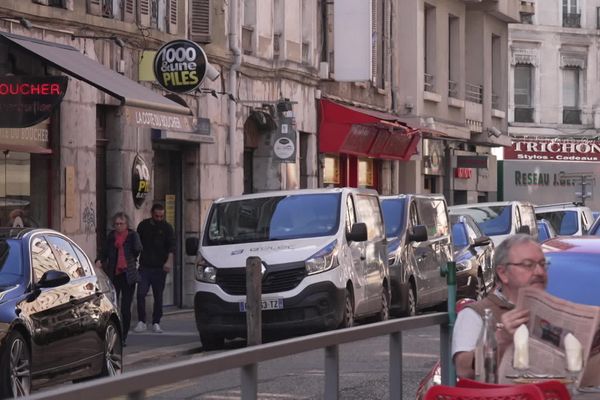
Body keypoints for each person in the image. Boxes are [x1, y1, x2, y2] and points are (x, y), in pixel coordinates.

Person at [452, 234, 548, 379]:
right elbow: (463, 370)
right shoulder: (475, 314)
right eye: (528, 265)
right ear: (503, 273)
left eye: (543, 264)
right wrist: (501, 339)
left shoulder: (550, 310)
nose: (540, 272)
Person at [95, 212, 142, 346]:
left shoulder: (132, 236)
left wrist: (127, 250)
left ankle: (123, 337)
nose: (119, 226)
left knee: (126, 308)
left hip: (128, 276)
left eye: (121, 224)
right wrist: (99, 260)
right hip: (114, 275)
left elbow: (138, 249)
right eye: (116, 224)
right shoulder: (111, 237)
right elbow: (104, 252)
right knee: (113, 307)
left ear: (126, 225)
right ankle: (114, 334)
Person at [134, 203, 175, 334]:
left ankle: (156, 322)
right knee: (140, 293)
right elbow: (137, 244)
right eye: (157, 216)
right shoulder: (143, 226)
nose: (159, 218)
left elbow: (171, 248)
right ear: (152, 214)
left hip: (159, 267)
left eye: (161, 216)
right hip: (145, 266)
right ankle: (141, 321)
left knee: (158, 296)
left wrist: (168, 262)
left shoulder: (167, 228)